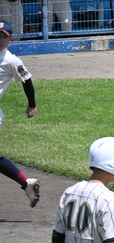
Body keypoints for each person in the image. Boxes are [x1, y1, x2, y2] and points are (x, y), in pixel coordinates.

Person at [0, 20, 39, 208]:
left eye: (3, 36)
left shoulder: (11, 61)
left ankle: (26, 183)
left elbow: (27, 81)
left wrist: (31, 105)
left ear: (10, 39)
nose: (0, 40)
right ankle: (27, 184)